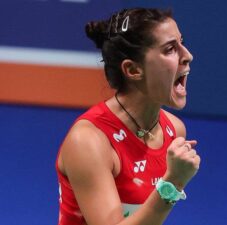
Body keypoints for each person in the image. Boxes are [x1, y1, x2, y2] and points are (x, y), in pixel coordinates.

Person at [56, 7, 201, 225]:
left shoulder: (173, 130)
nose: (188, 55)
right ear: (133, 70)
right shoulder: (89, 142)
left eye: (182, 42)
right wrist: (173, 183)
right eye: (170, 49)